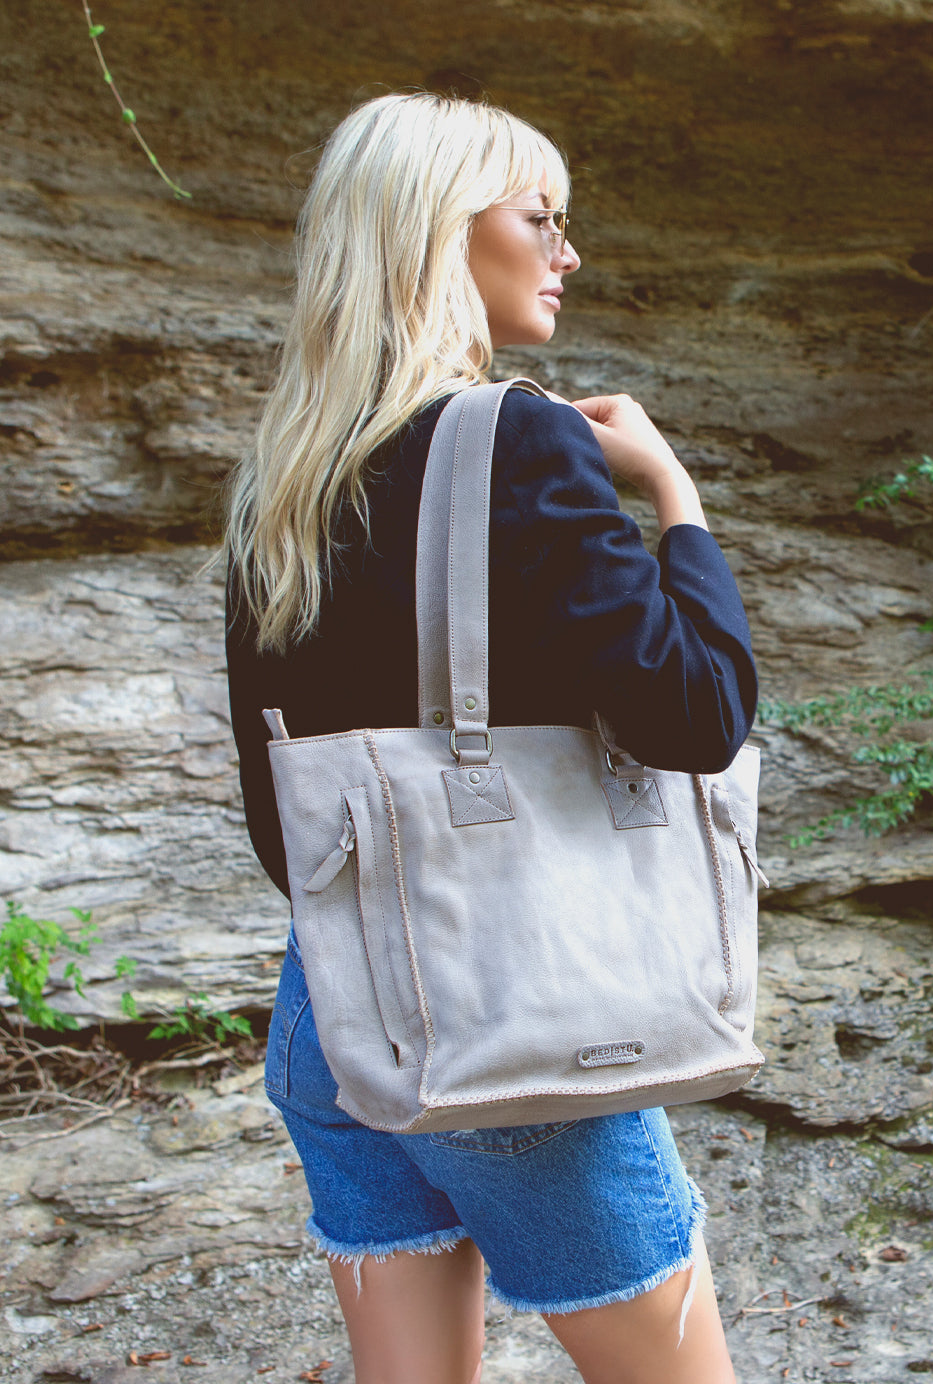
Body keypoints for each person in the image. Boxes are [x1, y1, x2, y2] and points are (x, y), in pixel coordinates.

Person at [223, 92, 757, 1384]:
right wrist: (675, 501)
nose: (568, 254)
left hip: (334, 1017)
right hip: (506, 1025)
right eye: (541, 218)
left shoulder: (289, 470)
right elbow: (696, 712)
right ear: (435, 232)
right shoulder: (518, 439)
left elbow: (277, 809)